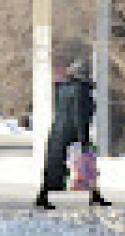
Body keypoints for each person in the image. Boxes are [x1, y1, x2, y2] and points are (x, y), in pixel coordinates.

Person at [36, 60, 109, 210]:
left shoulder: (62, 88)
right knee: (87, 164)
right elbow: (79, 114)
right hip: (73, 133)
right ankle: (93, 194)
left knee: (54, 166)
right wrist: (83, 139)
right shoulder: (80, 90)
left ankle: (43, 195)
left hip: (57, 131)